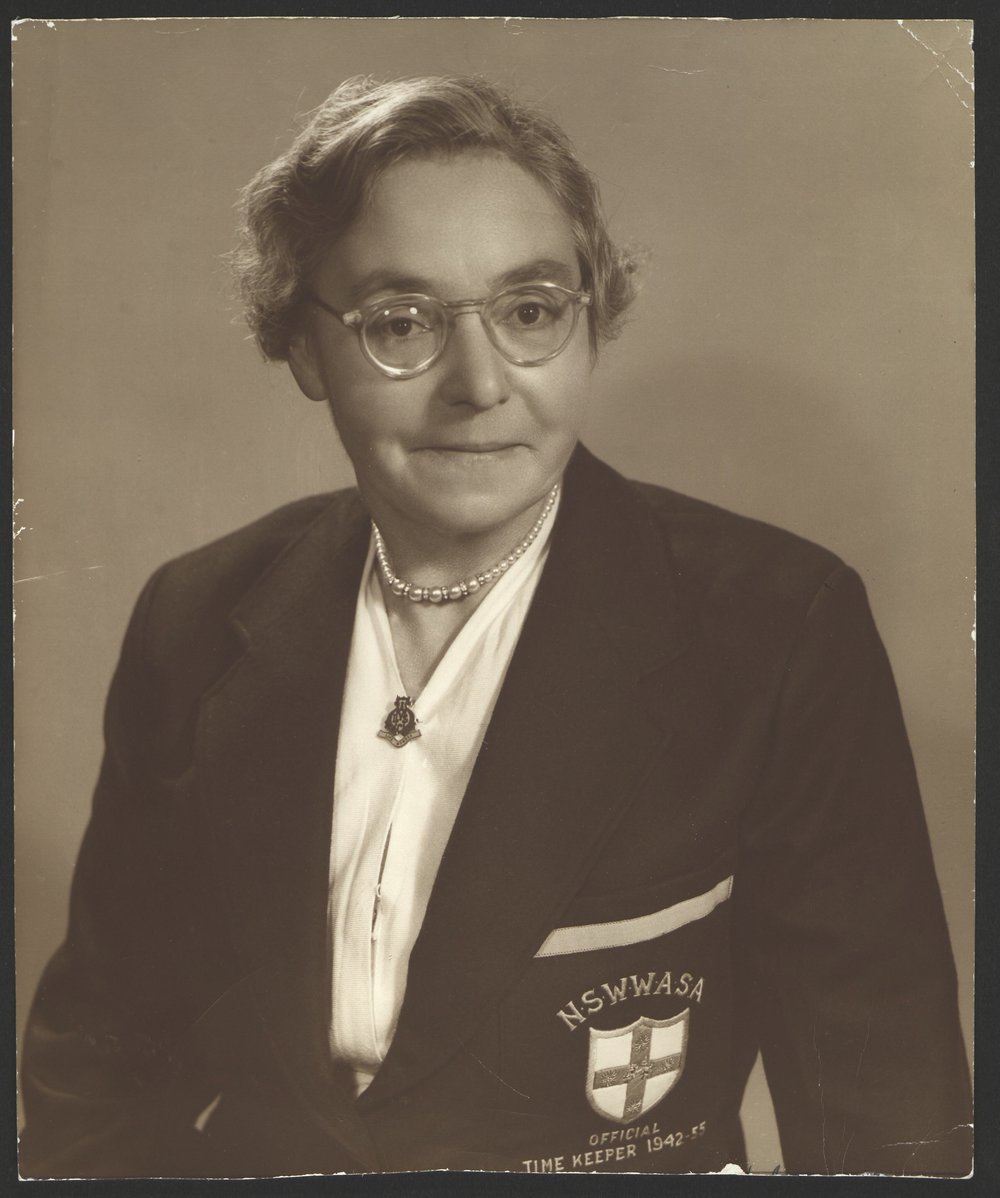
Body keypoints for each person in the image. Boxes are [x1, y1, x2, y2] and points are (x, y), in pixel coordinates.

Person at [20, 74, 971, 1179]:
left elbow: (884, 1116)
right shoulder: (193, 616)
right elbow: (94, 1069)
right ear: (302, 349)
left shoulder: (776, 629)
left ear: (591, 317)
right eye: (400, 323)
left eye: (528, 310)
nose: (480, 384)